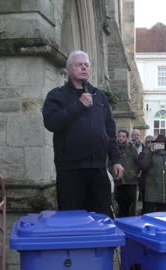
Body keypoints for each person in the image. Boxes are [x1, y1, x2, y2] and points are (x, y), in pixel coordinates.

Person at [42, 50, 124, 217]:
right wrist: (78, 105)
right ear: (69, 69)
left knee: (102, 217)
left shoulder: (99, 96)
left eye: (87, 65)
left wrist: (116, 160)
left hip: (98, 169)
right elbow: (51, 123)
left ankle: (102, 245)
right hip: (71, 171)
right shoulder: (57, 95)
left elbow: (110, 130)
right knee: (72, 219)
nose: (84, 68)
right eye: (79, 65)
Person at [138, 134, 166, 214]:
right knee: (149, 212)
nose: (160, 145)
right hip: (152, 187)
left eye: (162, 143)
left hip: (165, 188)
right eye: (158, 143)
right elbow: (144, 166)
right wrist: (151, 152)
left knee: (162, 213)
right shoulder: (150, 153)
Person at [111, 130, 138, 217]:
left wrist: (132, 173)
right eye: (119, 136)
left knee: (130, 203)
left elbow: (138, 163)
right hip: (118, 180)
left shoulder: (132, 148)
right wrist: (115, 174)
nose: (121, 138)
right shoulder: (113, 149)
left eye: (123, 136)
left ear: (127, 138)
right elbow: (109, 163)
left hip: (130, 181)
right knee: (119, 202)